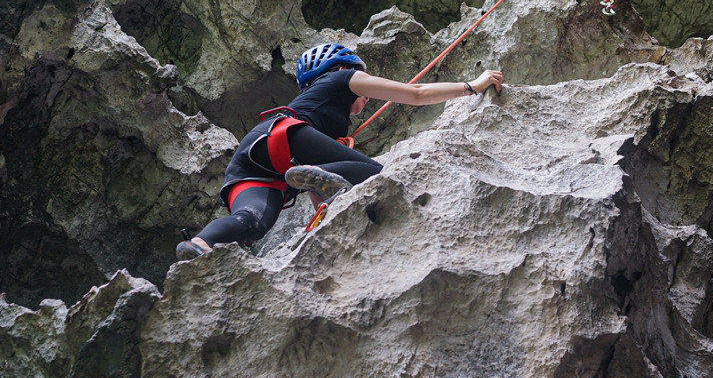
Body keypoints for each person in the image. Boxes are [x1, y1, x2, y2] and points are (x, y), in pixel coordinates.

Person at [175, 42, 503, 260]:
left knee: (253, 221)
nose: (368, 97)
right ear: (342, 69)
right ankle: (201, 245)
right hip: (286, 138)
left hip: (255, 162)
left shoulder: (319, 110)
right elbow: (415, 93)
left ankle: (198, 245)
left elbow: (317, 182)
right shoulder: (344, 78)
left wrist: (321, 219)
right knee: (378, 176)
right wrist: (473, 86)